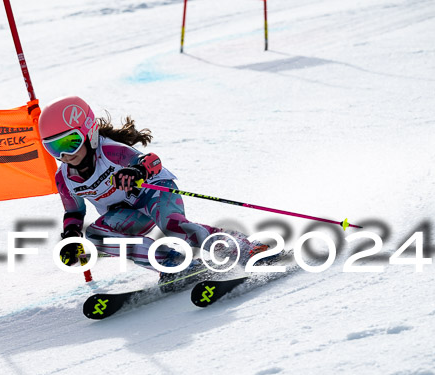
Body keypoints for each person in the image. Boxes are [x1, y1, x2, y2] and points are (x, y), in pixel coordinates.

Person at [38, 96, 267, 282]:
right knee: (96, 236)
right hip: (128, 213)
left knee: (174, 227)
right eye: (53, 148)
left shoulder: (111, 153)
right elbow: (75, 212)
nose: (65, 155)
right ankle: (171, 263)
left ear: (89, 132)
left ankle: (246, 249)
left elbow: (152, 161)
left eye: (70, 143)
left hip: (154, 193)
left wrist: (136, 171)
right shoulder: (64, 179)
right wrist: (71, 236)